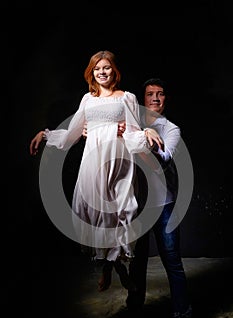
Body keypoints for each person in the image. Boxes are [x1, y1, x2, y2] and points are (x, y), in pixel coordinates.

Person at [29, 51, 164, 293]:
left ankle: (120, 266)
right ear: (91, 72)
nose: (102, 72)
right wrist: (46, 134)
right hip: (93, 161)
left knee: (122, 212)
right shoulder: (87, 100)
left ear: (115, 71)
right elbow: (73, 132)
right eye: (97, 68)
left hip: (119, 161)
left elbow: (133, 130)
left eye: (107, 68)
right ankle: (111, 269)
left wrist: (146, 133)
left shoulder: (127, 98)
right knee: (95, 214)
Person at [124, 78, 194, 318]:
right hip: (137, 205)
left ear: (166, 99)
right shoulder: (133, 123)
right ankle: (134, 310)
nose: (155, 98)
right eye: (150, 94)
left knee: (173, 262)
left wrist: (142, 138)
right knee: (136, 263)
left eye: (160, 94)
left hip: (164, 205)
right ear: (143, 99)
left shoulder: (171, 129)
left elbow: (163, 160)